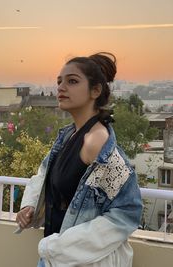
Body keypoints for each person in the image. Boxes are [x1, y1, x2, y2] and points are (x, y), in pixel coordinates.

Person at [16, 52, 142, 267]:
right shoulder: (69, 136)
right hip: (58, 258)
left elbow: (128, 211)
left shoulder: (97, 142)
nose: (61, 87)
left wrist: (56, 247)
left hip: (86, 261)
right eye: (59, 82)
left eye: (72, 81)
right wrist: (30, 206)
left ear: (96, 91)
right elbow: (44, 173)